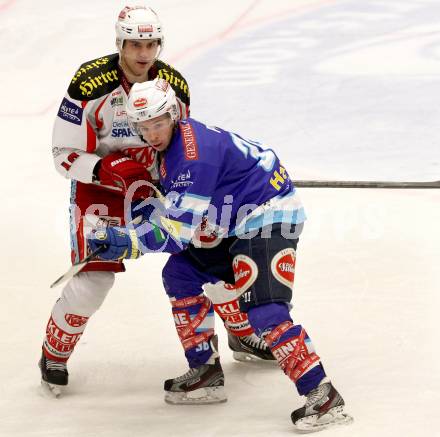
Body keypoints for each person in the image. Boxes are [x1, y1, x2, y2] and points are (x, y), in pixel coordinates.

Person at [88, 78, 353, 431]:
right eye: (144, 126)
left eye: (157, 123)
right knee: (181, 275)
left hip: (269, 215)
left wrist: (126, 241)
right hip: (233, 220)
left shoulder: (193, 159)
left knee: (265, 309)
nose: (151, 133)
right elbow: (177, 215)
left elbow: (177, 234)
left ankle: (323, 397)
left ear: (172, 115)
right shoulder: (173, 146)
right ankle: (205, 372)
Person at [40, 4, 272, 397]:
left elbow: (185, 145)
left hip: (156, 187)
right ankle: (54, 353)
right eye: (134, 43)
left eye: (150, 43)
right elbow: (62, 153)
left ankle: (240, 333)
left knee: (208, 255)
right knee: (94, 280)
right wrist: (106, 168)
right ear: (119, 43)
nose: (143, 53)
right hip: (101, 193)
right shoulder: (88, 84)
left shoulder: (174, 85)